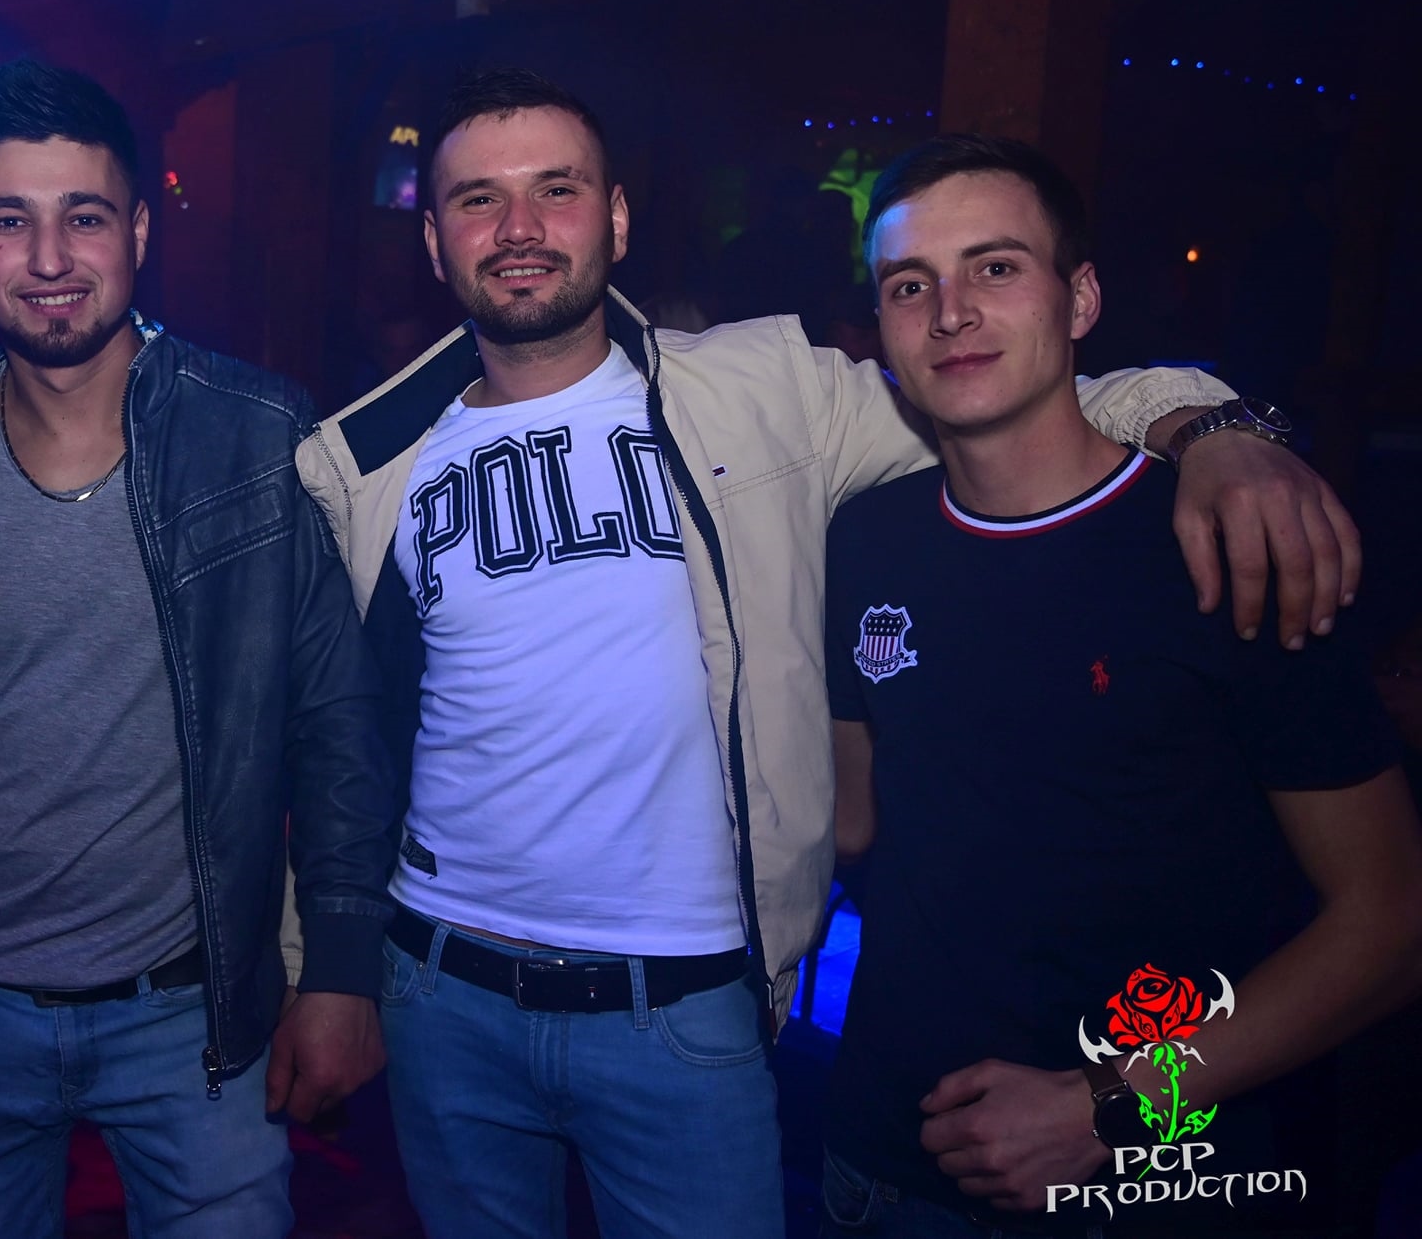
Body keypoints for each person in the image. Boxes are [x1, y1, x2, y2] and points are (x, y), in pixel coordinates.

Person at [292, 67, 1363, 1239]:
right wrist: (320, 964)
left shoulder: (766, 393)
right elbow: (333, 741)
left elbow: (1020, 391)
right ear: (434, 239)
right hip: (439, 988)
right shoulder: (359, 466)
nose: (518, 228)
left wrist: (1215, 429)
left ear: (615, 219)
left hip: (681, 1003)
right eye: (476, 199)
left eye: (556, 189)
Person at [822, 134, 1422, 1236]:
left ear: (1081, 298)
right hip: (881, 1166)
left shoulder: (1228, 540)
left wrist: (1115, 1103)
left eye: (995, 266)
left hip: (1154, 1182)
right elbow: (851, 818)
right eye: (910, 285)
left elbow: (1390, 924)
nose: (950, 312)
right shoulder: (863, 540)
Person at [0, 59, 395, 1239]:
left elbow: (335, 725)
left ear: (140, 230)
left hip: (191, 1013)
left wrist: (340, 967)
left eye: (85, 216)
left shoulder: (256, 434)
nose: (50, 257)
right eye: (10, 219)